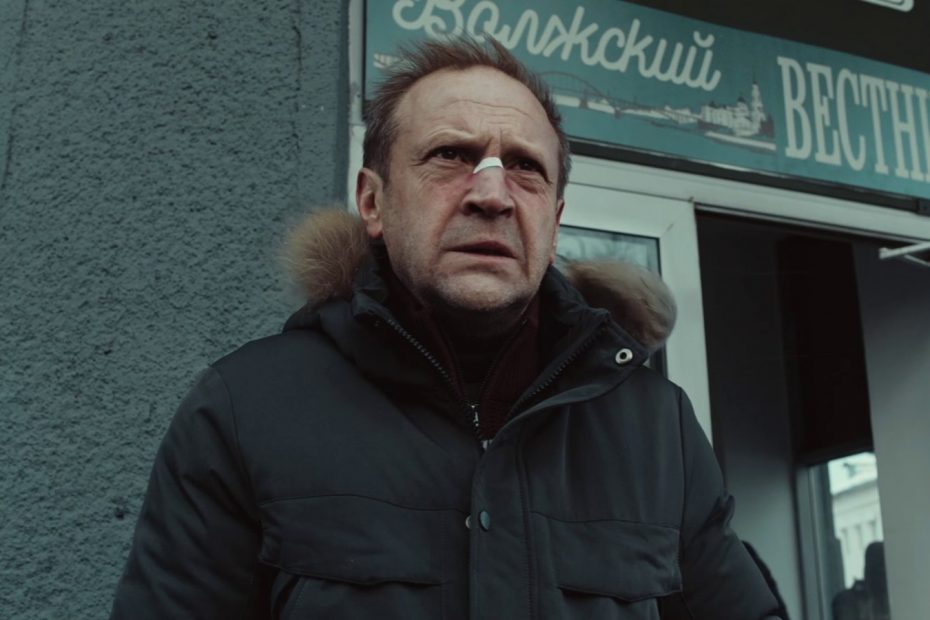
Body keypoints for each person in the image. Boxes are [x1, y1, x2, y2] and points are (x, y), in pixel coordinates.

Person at [110, 38, 782, 619]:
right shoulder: (245, 410)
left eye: (525, 168)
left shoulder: (658, 430)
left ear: (554, 222)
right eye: (451, 155)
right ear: (373, 201)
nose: (492, 194)